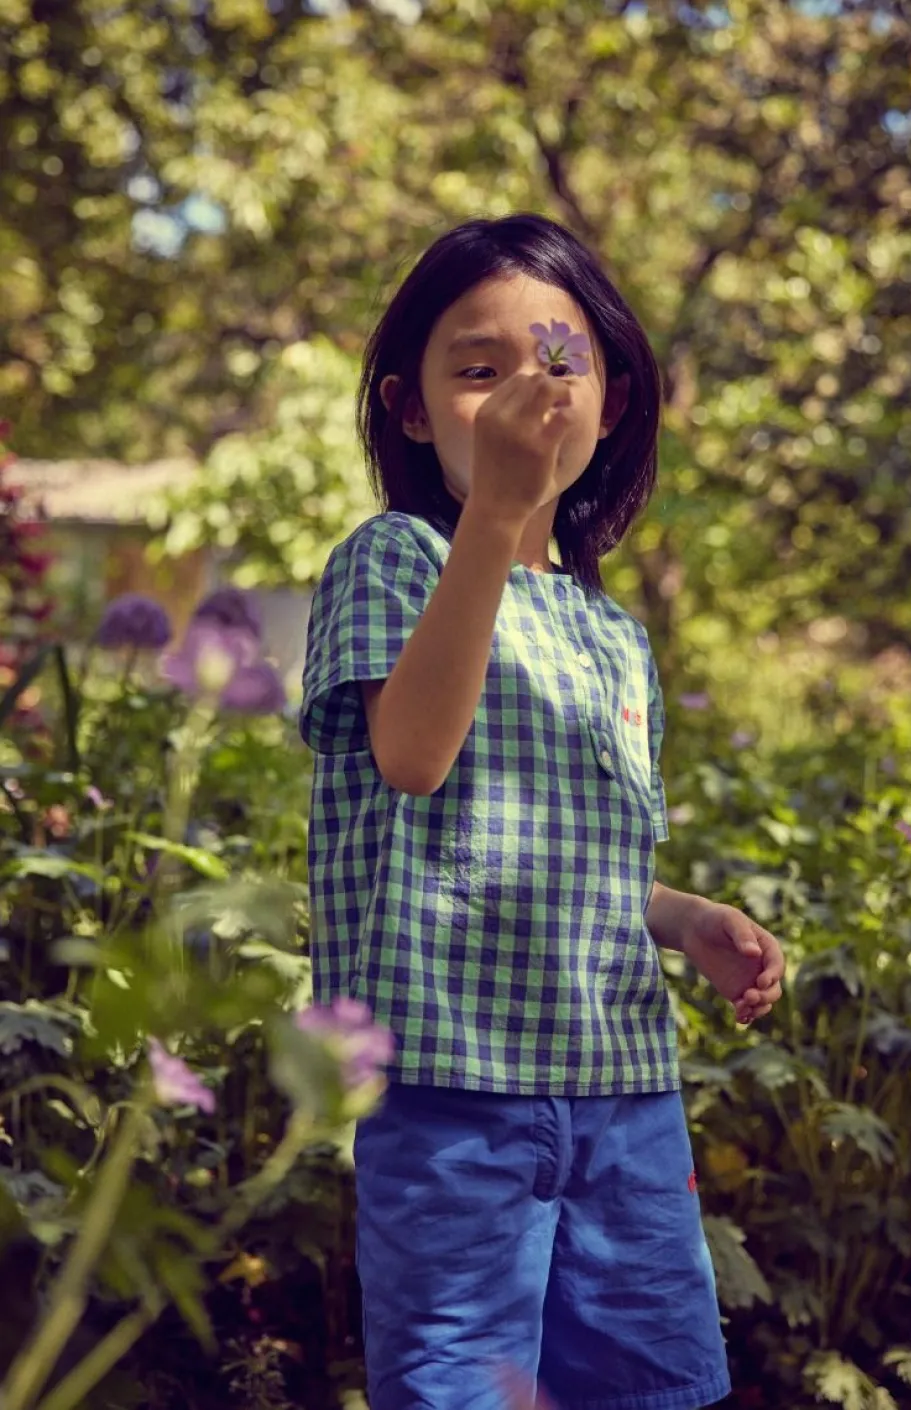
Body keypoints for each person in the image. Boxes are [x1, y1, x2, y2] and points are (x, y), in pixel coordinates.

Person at [299, 212, 785, 1410]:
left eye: (558, 363)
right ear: (411, 408)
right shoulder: (394, 561)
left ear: (609, 404)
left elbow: (589, 860)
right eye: (477, 369)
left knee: (654, 1384)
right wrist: (495, 518)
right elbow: (413, 756)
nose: (524, 393)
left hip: (624, 1090)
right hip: (450, 1093)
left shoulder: (613, 636)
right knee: (464, 1388)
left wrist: (686, 921)